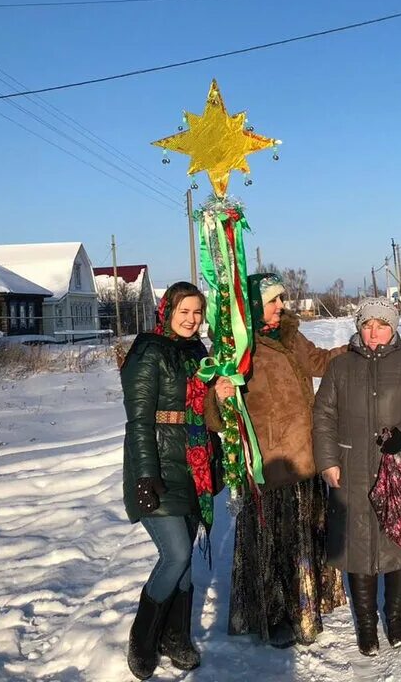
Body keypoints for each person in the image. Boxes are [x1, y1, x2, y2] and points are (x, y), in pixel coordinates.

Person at [215, 273, 347, 649]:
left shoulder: (290, 336)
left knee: (303, 538)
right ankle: (274, 616)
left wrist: (356, 347)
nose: (281, 306)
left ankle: (304, 604)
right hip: (270, 463)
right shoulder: (240, 348)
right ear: (255, 306)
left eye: (281, 299)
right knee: (274, 543)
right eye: (273, 300)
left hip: (304, 455)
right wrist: (219, 398)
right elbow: (218, 412)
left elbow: (321, 361)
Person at [312, 297, 401, 656]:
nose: (374, 332)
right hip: (352, 468)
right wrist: (328, 461)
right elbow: (323, 415)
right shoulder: (340, 367)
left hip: (399, 468)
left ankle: (396, 614)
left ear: (393, 329)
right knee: (358, 547)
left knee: (398, 542)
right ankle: (367, 624)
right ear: (359, 327)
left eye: (382, 325)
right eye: (367, 325)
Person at [122, 282, 229, 680]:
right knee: (177, 554)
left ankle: (177, 637)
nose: (192, 319)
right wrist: (146, 476)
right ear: (167, 311)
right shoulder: (148, 350)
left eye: (198, 313)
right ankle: (143, 637)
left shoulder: (197, 351)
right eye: (185, 311)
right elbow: (139, 422)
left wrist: (219, 393)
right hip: (159, 467)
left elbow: (204, 409)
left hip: (194, 464)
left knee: (185, 565)